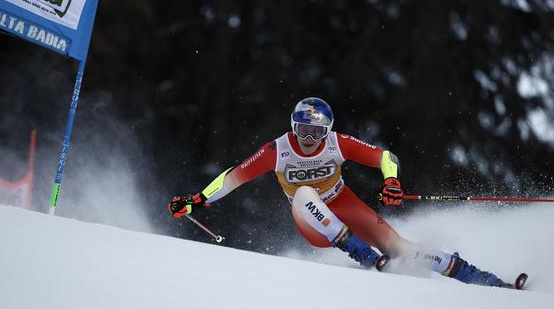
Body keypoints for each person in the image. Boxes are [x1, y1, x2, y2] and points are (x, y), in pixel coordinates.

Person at [169, 97, 525, 289]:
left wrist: (391, 181)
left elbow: (385, 156)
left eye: (316, 132)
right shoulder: (278, 150)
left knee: (405, 249)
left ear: (328, 131)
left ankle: (490, 283)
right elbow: (234, 176)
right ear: (293, 128)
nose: (309, 140)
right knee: (305, 193)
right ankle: (363, 255)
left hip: (344, 204)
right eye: (303, 130)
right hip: (312, 220)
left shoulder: (338, 144)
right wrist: (196, 200)